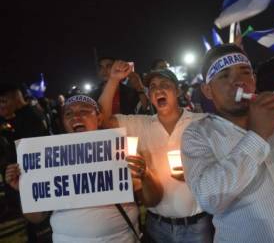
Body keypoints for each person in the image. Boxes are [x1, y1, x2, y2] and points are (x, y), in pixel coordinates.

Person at [181, 44, 274, 242]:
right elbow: (209, 197)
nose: (238, 82)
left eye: (245, 72)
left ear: (253, 80)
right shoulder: (198, 134)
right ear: (207, 90)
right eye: (224, 75)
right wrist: (258, 135)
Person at [5, 92, 162, 243]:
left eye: (84, 111)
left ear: (99, 118)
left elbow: (151, 201)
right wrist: (25, 189)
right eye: (68, 114)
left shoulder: (122, 150)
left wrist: (146, 175)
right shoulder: (48, 158)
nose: (76, 117)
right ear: (63, 122)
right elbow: (36, 217)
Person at [99, 62, 214, 243]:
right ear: (149, 96)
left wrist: (195, 172)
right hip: (156, 226)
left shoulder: (202, 122)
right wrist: (113, 80)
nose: (158, 90)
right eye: (152, 87)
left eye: (165, 85)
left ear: (177, 92)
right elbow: (102, 121)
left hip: (197, 226)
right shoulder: (140, 124)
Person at [0, 83, 51, 243]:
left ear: (16, 97)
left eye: (3, 101)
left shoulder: (28, 118)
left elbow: (31, 156)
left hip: (31, 182)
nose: (1, 106)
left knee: (39, 227)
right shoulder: (18, 117)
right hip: (20, 182)